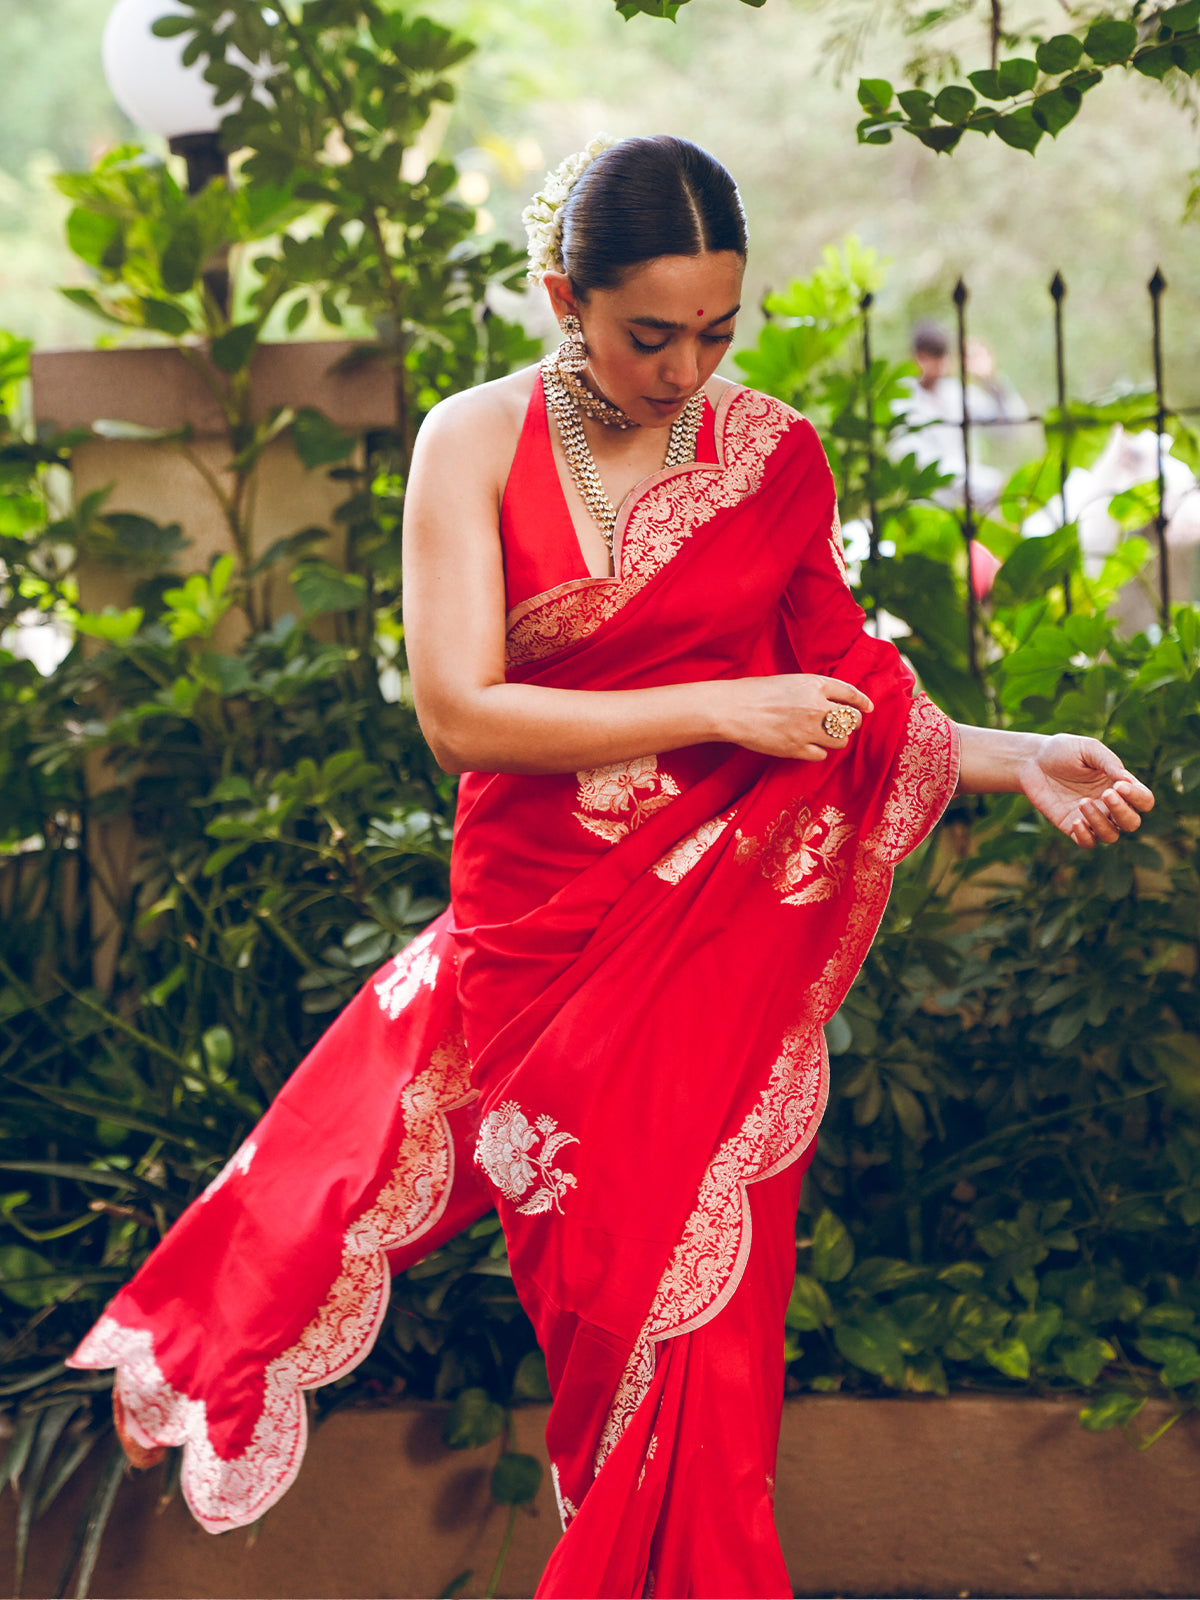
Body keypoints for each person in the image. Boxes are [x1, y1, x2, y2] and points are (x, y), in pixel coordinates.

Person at [69, 136, 1154, 1600]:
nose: (687, 368)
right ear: (561, 295)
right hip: (534, 940)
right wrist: (720, 706)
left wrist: (1020, 756)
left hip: (710, 951)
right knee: (590, 1308)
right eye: (652, 334)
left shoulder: (771, 459)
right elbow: (460, 715)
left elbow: (847, 696)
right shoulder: (473, 442)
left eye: (718, 331)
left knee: (703, 1356)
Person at [891, 320, 1026, 512]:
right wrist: (987, 482)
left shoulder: (957, 393)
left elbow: (1009, 429)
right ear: (917, 357)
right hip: (927, 508)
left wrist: (990, 379)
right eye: (931, 357)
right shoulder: (902, 399)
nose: (939, 366)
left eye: (942, 357)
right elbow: (918, 463)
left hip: (972, 506)